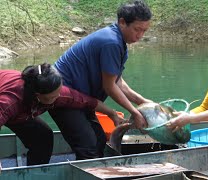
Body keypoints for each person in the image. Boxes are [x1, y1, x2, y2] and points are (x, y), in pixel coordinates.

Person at [50, 0, 152, 160]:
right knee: (88, 147)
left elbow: (117, 81)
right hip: (62, 95)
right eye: (137, 30)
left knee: (98, 141)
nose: (140, 35)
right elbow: (109, 86)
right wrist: (135, 112)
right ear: (122, 22)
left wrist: (143, 102)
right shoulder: (111, 42)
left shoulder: (119, 42)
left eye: (144, 31)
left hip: (83, 99)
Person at [0, 63, 123, 166]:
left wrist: (111, 113)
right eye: (53, 96)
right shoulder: (10, 102)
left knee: (43, 136)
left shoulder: (55, 93)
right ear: (38, 95)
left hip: (21, 114)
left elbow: (87, 102)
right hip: (9, 107)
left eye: (59, 92)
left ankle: (35, 173)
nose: (59, 97)